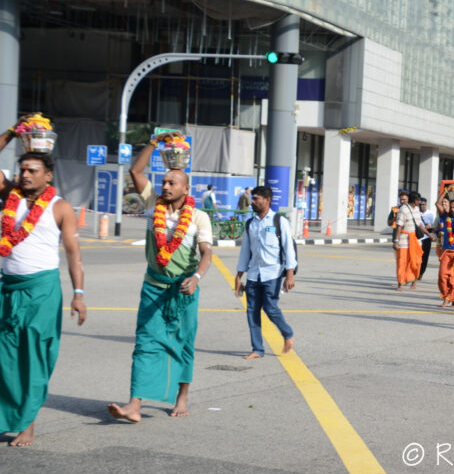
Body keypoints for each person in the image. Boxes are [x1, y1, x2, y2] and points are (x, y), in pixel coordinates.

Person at [108, 132, 213, 422]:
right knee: (145, 342)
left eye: (172, 183)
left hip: (183, 290)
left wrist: (197, 278)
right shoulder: (153, 204)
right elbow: (135, 171)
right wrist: (154, 142)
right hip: (153, 286)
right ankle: (134, 405)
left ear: (186, 188)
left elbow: (207, 254)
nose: (165, 186)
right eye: (164, 182)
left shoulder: (199, 217)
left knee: (183, 342)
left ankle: (182, 395)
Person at [0, 143, 87, 447]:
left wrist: (78, 293)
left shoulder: (60, 207)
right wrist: (13, 132)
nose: (24, 174)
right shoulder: (9, 197)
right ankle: (8, 417)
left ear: (48, 175)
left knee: (34, 357)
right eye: (22, 169)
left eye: (31, 170)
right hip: (8, 289)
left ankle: (28, 424)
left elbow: (74, 254)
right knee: (6, 358)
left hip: (41, 292)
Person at [234, 185, 298, 360]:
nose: (252, 202)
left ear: (267, 200)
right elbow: (245, 252)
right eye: (252, 198)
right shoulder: (250, 224)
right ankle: (257, 349)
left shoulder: (279, 221)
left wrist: (290, 274)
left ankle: (287, 333)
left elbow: (289, 249)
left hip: (273, 273)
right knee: (252, 311)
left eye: (256, 199)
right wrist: (239, 277)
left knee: (270, 307)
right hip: (254, 274)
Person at [392, 190, 430, 290]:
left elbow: (419, 224)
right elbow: (399, 226)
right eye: (418, 200)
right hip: (403, 240)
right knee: (402, 262)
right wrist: (396, 241)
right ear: (414, 200)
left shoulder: (417, 209)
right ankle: (400, 283)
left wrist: (428, 234)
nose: (420, 202)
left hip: (415, 240)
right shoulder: (403, 209)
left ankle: (413, 280)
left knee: (417, 261)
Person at [417, 196, 436, 280]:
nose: (422, 206)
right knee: (417, 257)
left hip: (427, 238)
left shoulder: (431, 214)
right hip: (418, 238)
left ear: (426, 204)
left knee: (425, 257)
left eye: (423, 205)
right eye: (420, 205)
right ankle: (416, 272)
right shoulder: (416, 213)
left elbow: (435, 227)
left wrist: (430, 226)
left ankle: (421, 273)